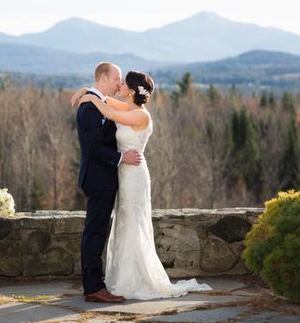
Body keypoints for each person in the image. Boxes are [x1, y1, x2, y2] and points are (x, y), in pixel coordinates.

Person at [72, 70, 212, 300]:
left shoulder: (141, 116)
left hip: (134, 174)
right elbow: (107, 102)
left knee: (133, 224)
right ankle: (120, 279)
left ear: (133, 90)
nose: (120, 85)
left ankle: (135, 279)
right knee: (124, 225)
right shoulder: (130, 108)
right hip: (122, 173)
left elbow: (106, 109)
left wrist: (89, 97)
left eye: (124, 83)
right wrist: (86, 91)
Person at [75, 62, 143, 303]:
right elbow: (94, 148)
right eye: (116, 78)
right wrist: (122, 157)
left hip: (105, 178)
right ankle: (93, 287)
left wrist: (85, 92)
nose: (119, 83)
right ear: (103, 77)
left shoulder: (97, 103)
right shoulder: (90, 108)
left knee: (97, 232)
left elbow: (115, 114)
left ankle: (94, 284)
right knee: (95, 233)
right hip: (98, 178)